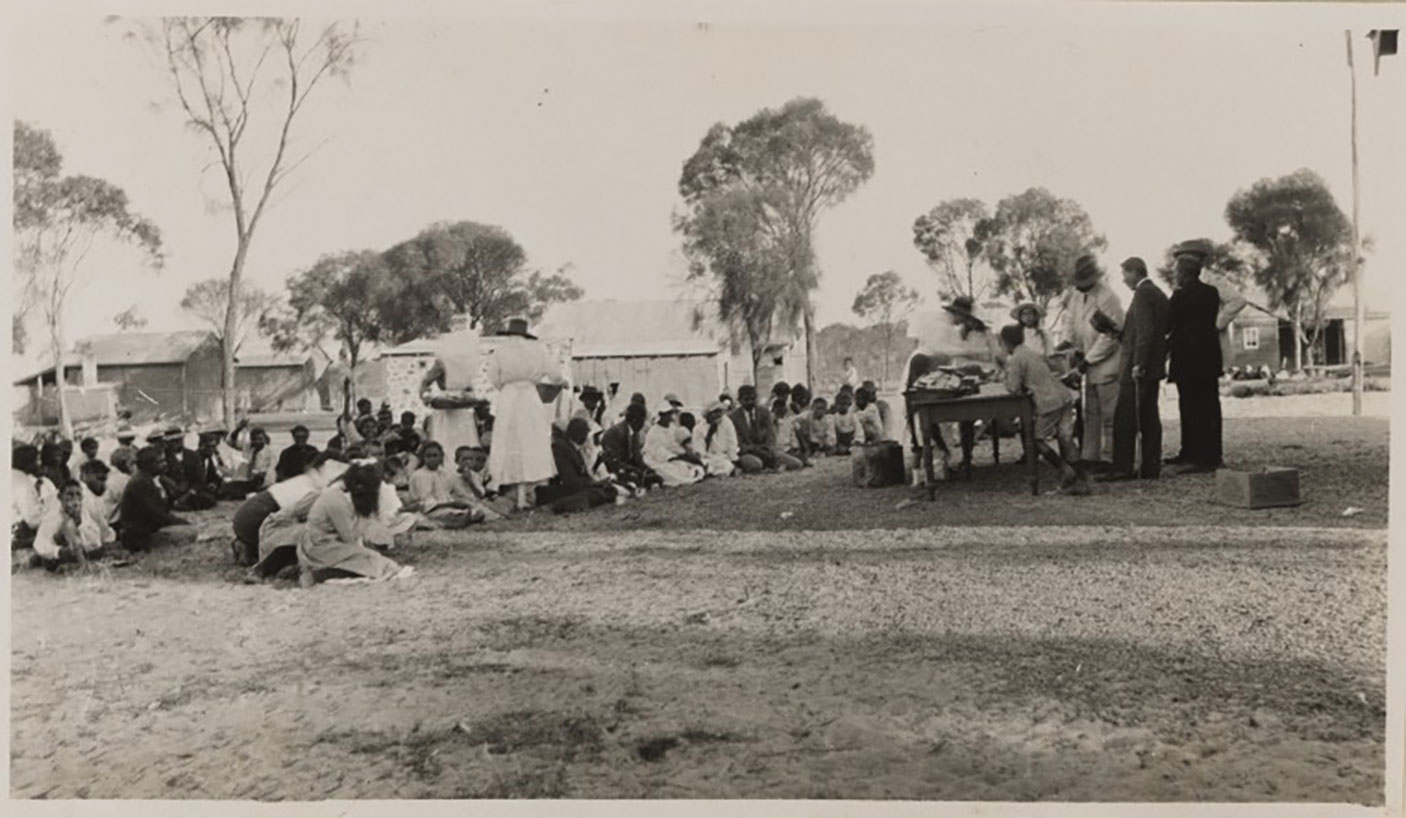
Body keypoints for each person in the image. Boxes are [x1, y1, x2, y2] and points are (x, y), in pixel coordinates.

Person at [1100, 257, 1171, 482]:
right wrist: (1117, 334)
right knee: (1149, 417)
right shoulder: (1157, 293)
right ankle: (1150, 467)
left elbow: (1145, 333)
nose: (1123, 280)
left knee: (1126, 418)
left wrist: (1139, 363)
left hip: (1138, 368)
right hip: (1151, 367)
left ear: (1135, 272)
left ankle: (1123, 467)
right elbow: (1149, 331)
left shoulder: (1142, 294)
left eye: (1125, 274)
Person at [484, 318, 567, 510]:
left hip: (509, 397)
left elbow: (492, 377)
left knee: (510, 442)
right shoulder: (537, 349)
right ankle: (534, 493)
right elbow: (554, 373)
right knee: (532, 441)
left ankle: (521, 496)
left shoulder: (500, 351)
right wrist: (560, 381)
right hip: (530, 396)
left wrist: (506, 389)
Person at [999, 325, 1088, 495]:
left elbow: (1013, 388)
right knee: (1066, 438)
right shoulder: (1030, 352)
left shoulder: (1016, 358)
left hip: (1048, 401)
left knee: (1035, 438)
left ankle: (1064, 470)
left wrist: (1005, 377)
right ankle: (1082, 479)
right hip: (1064, 395)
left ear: (1004, 342)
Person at [295, 462, 412, 588]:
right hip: (319, 547)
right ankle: (317, 576)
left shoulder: (346, 498)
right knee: (371, 562)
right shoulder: (336, 501)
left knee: (374, 558)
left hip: (329, 544)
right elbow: (349, 538)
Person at [1060, 254, 1125, 470]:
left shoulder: (1108, 297)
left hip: (1107, 363)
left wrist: (1086, 361)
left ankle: (1112, 458)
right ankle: (1091, 456)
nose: (1079, 287)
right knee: (1090, 413)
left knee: (1111, 415)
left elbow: (1111, 336)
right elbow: (1070, 321)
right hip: (1086, 359)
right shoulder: (1077, 296)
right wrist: (1067, 344)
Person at [1165, 242, 1225, 474]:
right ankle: (1212, 454)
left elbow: (1168, 324)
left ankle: (1192, 454)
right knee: (1210, 407)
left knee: (1189, 407)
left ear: (1183, 273)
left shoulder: (1179, 296)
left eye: (1177, 272)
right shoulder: (1211, 294)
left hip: (1187, 360)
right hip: (1208, 359)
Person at [233, 451, 349, 569]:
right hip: (260, 515)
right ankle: (252, 545)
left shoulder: (308, 478)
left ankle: (247, 544)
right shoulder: (321, 488)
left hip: (248, 512)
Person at [119, 446, 198, 552]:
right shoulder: (141, 483)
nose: (165, 464)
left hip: (145, 529)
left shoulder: (149, 479)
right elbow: (157, 515)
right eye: (160, 462)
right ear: (148, 465)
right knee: (190, 533)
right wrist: (183, 522)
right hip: (139, 535)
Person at [536, 418, 621, 513]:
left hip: (575, 487)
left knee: (607, 490)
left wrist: (596, 482)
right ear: (580, 435)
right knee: (599, 493)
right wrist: (592, 483)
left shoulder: (572, 448)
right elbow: (570, 481)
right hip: (562, 490)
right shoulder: (560, 449)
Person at [31, 480, 114, 571]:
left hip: (83, 555)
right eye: (70, 494)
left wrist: (78, 523)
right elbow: (39, 544)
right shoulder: (53, 517)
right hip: (61, 559)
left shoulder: (84, 514)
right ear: (60, 497)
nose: (74, 498)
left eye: (78, 494)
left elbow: (96, 541)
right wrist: (59, 551)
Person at [729, 385, 805, 473]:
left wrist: (768, 449)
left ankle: (769, 466)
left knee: (796, 464)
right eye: (746, 399)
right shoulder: (733, 417)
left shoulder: (764, 412)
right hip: (747, 452)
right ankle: (767, 466)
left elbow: (771, 434)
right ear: (740, 400)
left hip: (766, 450)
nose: (750, 402)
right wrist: (754, 449)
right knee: (756, 465)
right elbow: (737, 442)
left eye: (752, 399)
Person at [406, 441, 480, 528]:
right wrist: (451, 504)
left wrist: (456, 503)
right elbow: (425, 503)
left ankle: (456, 520)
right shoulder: (419, 475)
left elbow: (445, 495)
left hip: (445, 508)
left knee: (478, 512)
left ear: (441, 457)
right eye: (428, 456)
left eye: (435, 455)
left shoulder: (442, 473)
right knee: (460, 516)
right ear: (423, 458)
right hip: (430, 511)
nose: (432, 459)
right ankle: (444, 522)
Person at [600, 403, 662, 489]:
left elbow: (637, 457)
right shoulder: (615, 433)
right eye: (642, 420)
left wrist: (648, 470)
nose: (643, 424)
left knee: (655, 477)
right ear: (635, 420)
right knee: (636, 483)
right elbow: (614, 463)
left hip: (628, 468)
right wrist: (639, 473)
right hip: (614, 471)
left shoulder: (634, 431)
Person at [643, 405, 706, 486]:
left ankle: (693, 474)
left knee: (683, 466)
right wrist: (677, 457)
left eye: (669, 413)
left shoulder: (672, 428)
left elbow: (675, 446)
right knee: (669, 470)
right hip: (656, 461)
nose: (668, 416)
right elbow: (659, 453)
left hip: (672, 458)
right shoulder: (653, 433)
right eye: (666, 414)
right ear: (661, 416)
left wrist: (684, 455)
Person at [12, 444, 59, 550]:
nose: (40, 463)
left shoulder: (11, 476)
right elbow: (33, 520)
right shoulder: (23, 483)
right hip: (16, 533)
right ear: (27, 463)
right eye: (37, 460)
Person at [693, 401, 750, 477]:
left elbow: (732, 443)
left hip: (724, 456)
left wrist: (733, 460)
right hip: (708, 457)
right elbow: (700, 449)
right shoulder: (698, 428)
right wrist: (710, 433)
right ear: (708, 414)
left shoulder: (727, 423)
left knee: (727, 465)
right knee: (703, 466)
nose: (718, 415)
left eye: (720, 412)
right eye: (715, 412)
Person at [227, 420, 275, 495]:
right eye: (254, 439)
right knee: (228, 487)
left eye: (260, 439)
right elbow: (231, 442)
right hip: (243, 479)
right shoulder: (248, 447)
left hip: (260, 481)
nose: (257, 442)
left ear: (264, 439)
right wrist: (239, 428)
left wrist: (262, 474)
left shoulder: (269, 452)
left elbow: (271, 470)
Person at [78, 459, 122, 534]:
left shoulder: (94, 496)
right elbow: (103, 532)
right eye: (100, 479)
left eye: (104, 480)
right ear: (85, 475)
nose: (103, 485)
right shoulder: (84, 496)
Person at [831, 390, 865, 455]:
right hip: (840, 441)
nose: (842, 406)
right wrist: (835, 443)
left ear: (849, 405)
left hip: (852, 441)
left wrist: (856, 441)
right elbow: (832, 431)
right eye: (840, 404)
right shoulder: (835, 417)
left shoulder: (852, 415)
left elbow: (858, 429)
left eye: (845, 404)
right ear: (836, 405)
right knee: (836, 450)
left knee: (857, 450)